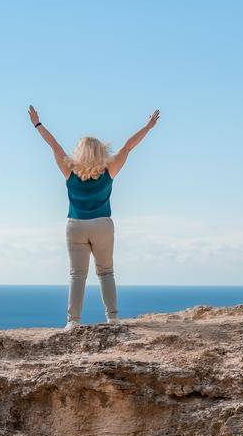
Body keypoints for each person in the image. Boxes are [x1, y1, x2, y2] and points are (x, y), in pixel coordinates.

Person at [28, 105, 161, 327]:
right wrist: (147, 127)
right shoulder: (110, 170)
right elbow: (128, 146)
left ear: (79, 152)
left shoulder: (68, 169)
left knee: (77, 275)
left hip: (76, 225)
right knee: (106, 272)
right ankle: (113, 318)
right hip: (102, 225)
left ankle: (73, 322)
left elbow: (53, 144)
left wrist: (37, 124)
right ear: (101, 152)